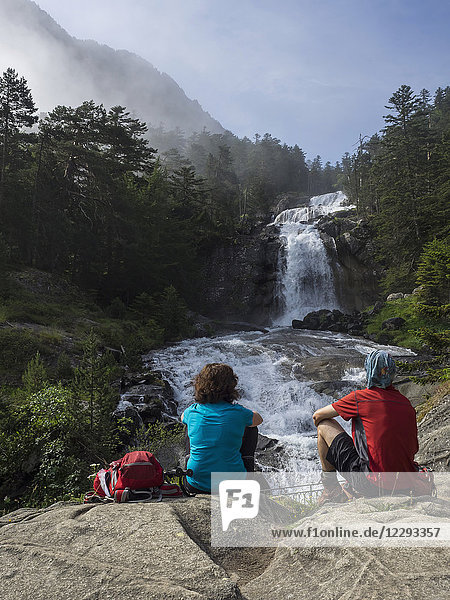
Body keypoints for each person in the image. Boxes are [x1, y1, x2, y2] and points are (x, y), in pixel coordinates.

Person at [312, 349, 425, 503]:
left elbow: (317, 416)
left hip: (372, 484)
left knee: (324, 425)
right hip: (406, 484)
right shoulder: (406, 403)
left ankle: (330, 488)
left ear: (370, 371)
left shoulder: (360, 398)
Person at [181, 363, 263, 494]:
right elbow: (259, 419)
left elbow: (182, 417)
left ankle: (187, 462)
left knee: (189, 426)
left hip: (196, 483)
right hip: (233, 485)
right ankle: (248, 474)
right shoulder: (239, 413)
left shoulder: (192, 411)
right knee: (251, 428)